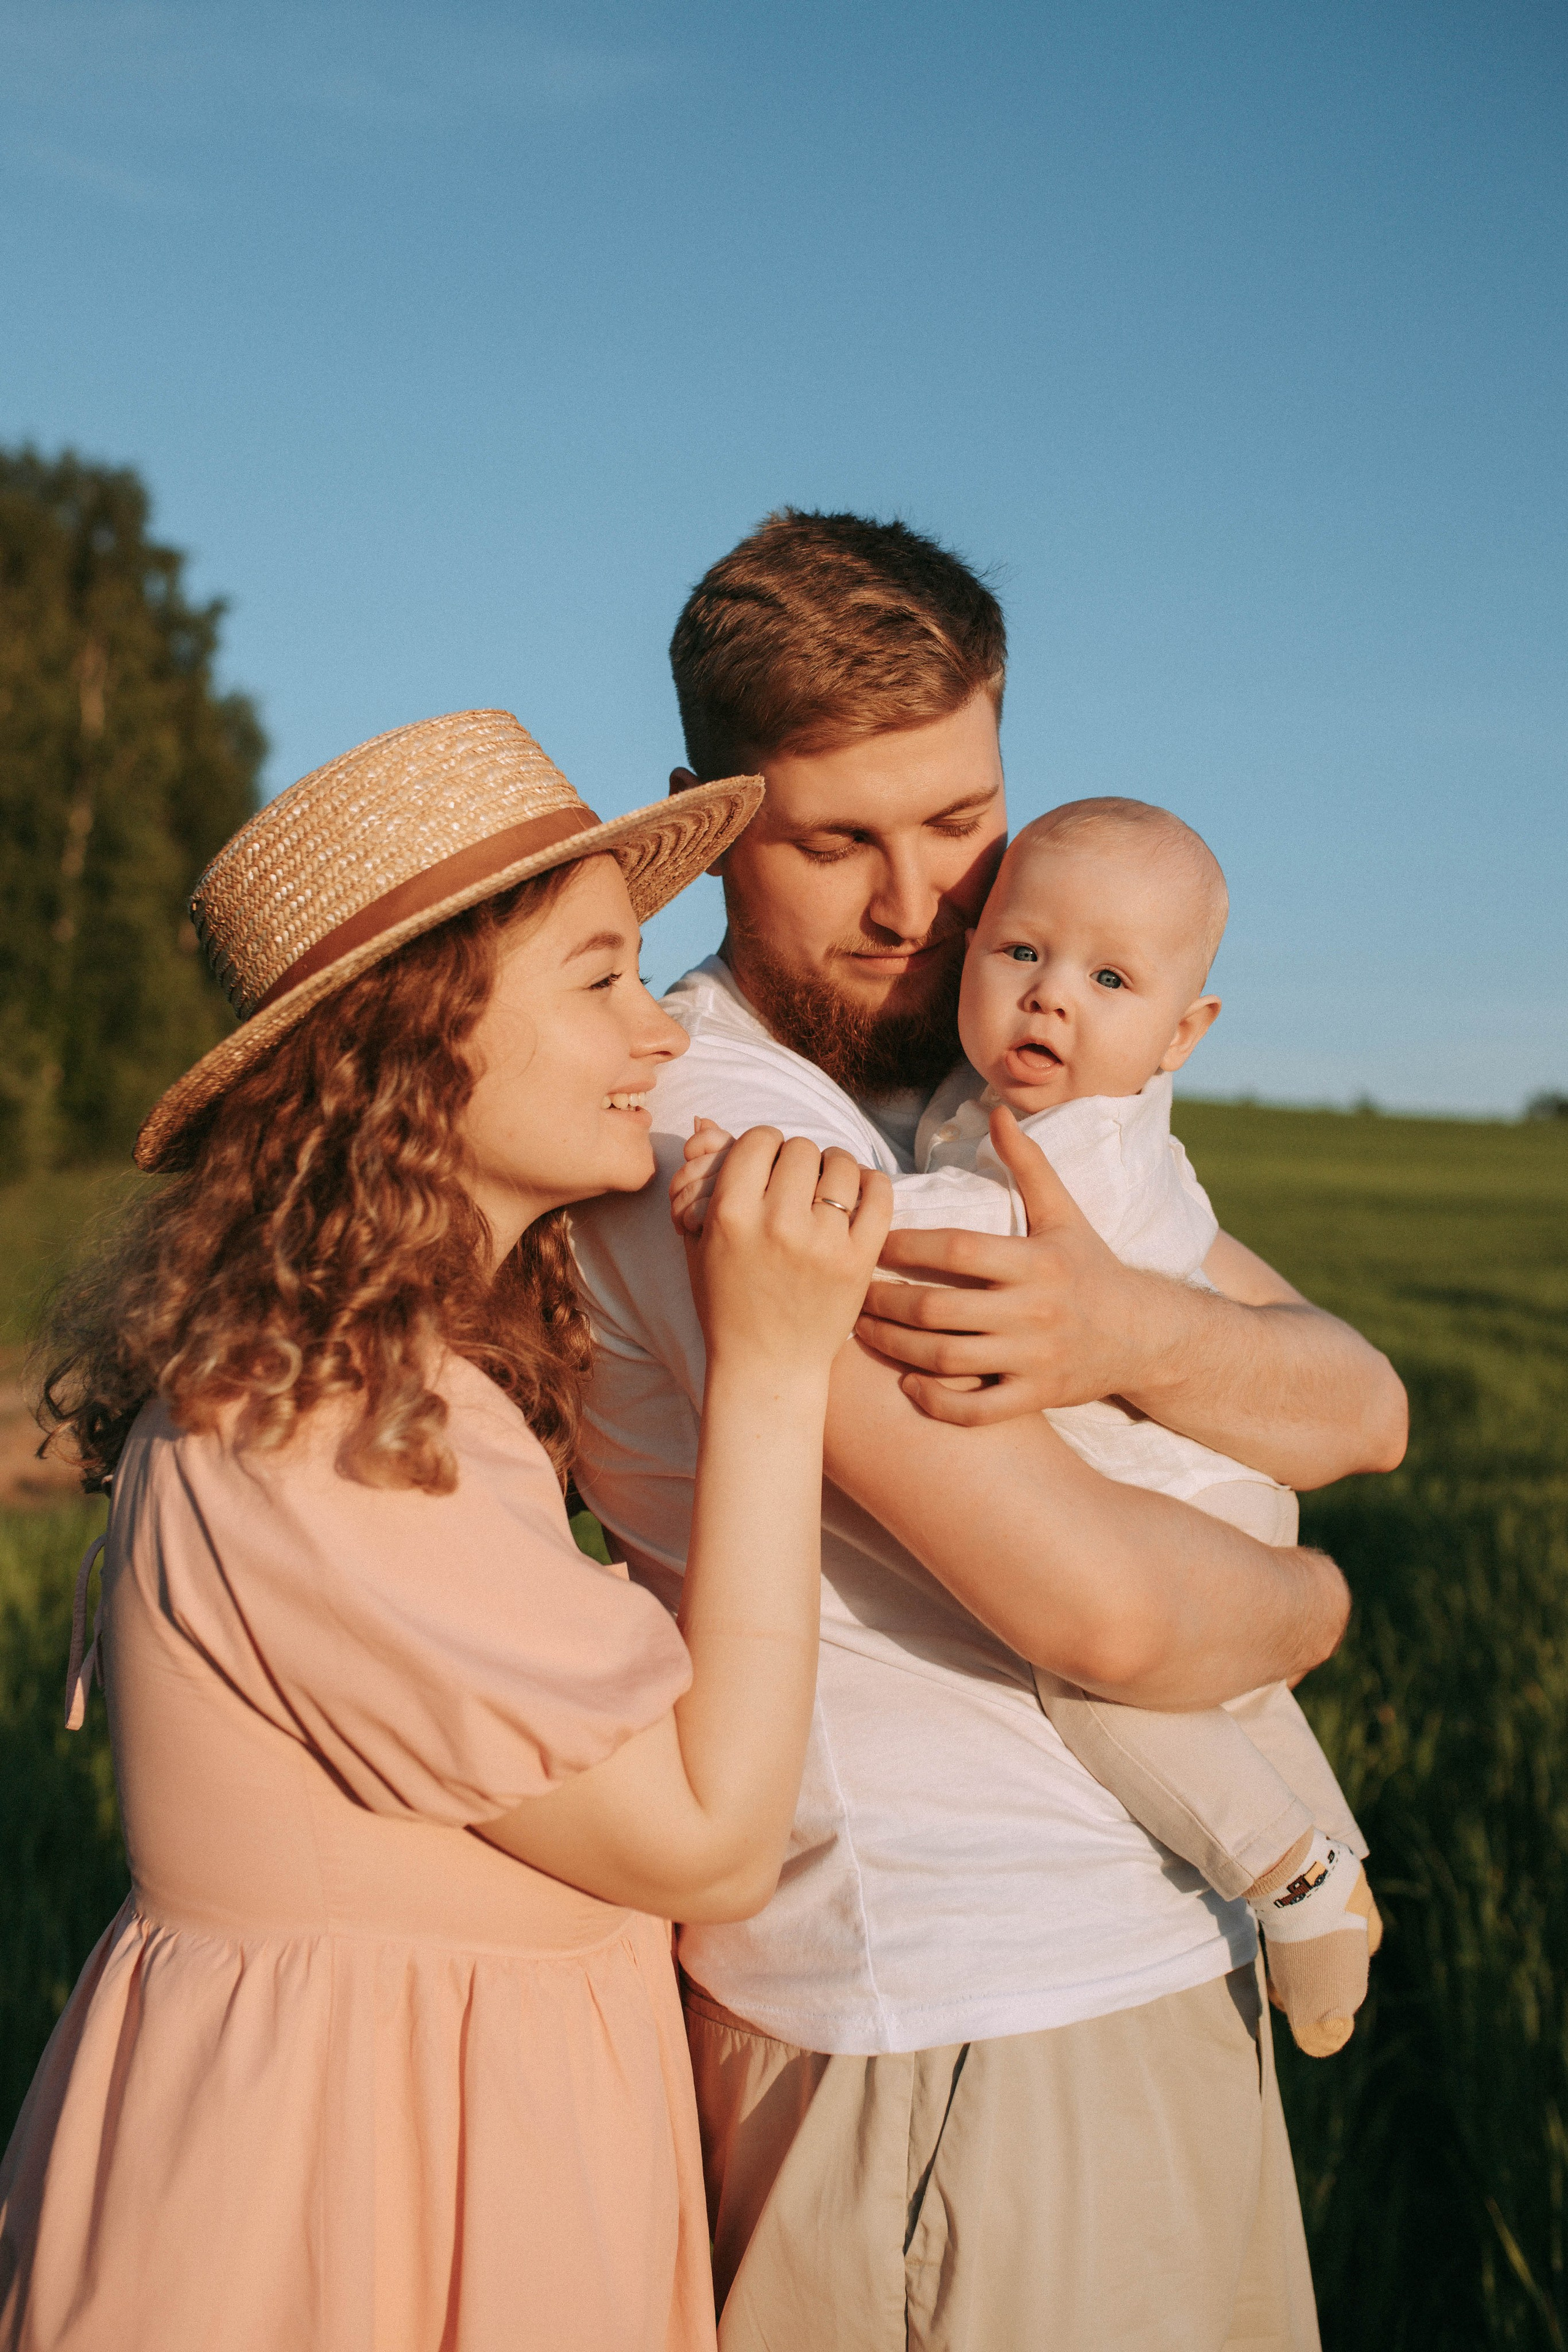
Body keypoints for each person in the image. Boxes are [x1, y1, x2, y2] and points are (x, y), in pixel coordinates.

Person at [569, 513, 1408, 2351]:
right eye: (836, 839)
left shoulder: (970, 1098)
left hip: (1146, 1972)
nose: (917, 902)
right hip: (946, 2038)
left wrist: (1134, 1325)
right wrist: (1320, 1608)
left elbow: (1364, 1399)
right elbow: (1105, 1615)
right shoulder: (710, 1136)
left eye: (962, 823)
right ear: (705, 821)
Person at [0, 708, 892, 2352]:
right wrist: (773, 1368)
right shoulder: (324, 1419)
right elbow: (703, 1836)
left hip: (416, 2132)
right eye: (602, 977)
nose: (662, 1034)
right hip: (346, 2194)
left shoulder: (365, 1374)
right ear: (417, 1041)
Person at [673, 793, 1384, 2063]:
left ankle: (1289, 1870)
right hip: (1203, 1484)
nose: (1050, 997)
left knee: (1100, 1687)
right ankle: (1340, 1878)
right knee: (1236, 1709)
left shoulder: (1082, 1150)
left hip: (1177, 1501)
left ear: (1181, 1033)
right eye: (1020, 954)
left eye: (1107, 978)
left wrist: (752, 1187)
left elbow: (927, 1237)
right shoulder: (1006, 1100)